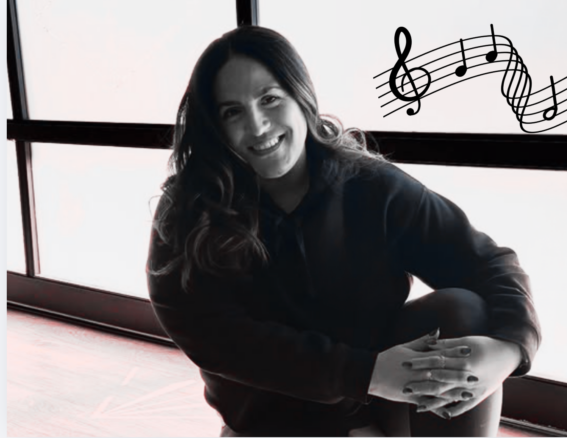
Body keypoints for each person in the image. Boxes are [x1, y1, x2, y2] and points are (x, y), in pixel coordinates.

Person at [146, 25, 541, 437]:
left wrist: (509, 350)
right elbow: (212, 334)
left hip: (374, 399)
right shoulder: (191, 208)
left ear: (302, 99)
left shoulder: (369, 184)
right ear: (216, 127)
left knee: (463, 312)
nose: (258, 126)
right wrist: (363, 374)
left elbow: (488, 263)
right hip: (272, 415)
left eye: (270, 99)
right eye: (233, 112)